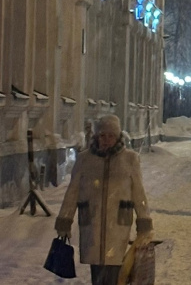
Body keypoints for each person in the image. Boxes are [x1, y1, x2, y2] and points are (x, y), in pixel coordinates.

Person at [55, 115, 153, 285]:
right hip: (92, 224)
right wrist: (65, 220)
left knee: (115, 270)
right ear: (96, 136)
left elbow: (139, 193)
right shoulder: (85, 159)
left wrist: (144, 222)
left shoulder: (130, 159)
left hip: (118, 225)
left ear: (118, 137)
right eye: (102, 135)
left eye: (111, 136)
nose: (106, 140)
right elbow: (72, 193)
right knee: (97, 270)